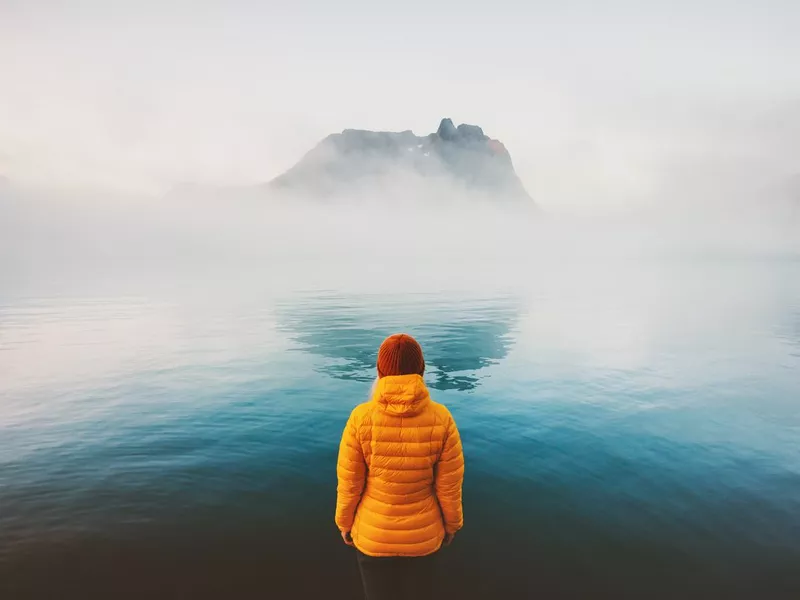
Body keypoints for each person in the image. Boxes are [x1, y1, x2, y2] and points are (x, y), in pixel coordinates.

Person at [335, 333, 465, 600]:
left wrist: (344, 524)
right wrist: (452, 525)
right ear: (421, 370)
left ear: (380, 372)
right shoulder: (442, 418)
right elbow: (449, 487)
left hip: (373, 538)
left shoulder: (361, 418)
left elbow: (350, 483)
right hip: (424, 540)